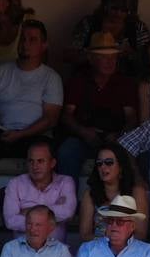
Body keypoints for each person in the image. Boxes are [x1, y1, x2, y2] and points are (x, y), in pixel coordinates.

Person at [0, 20, 62, 159]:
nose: (25, 44)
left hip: (35, 138)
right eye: (22, 38)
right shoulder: (0, 72)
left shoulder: (51, 77)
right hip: (2, 135)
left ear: (44, 45)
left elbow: (50, 119)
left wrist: (20, 134)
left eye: (32, 40)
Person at [58, 34, 138, 180]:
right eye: (103, 57)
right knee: (67, 150)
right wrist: (84, 132)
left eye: (113, 57)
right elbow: (66, 115)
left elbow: (131, 118)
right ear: (91, 58)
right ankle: (66, 200)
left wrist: (119, 136)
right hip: (84, 139)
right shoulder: (79, 80)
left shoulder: (125, 83)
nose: (110, 62)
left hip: (115, 139)